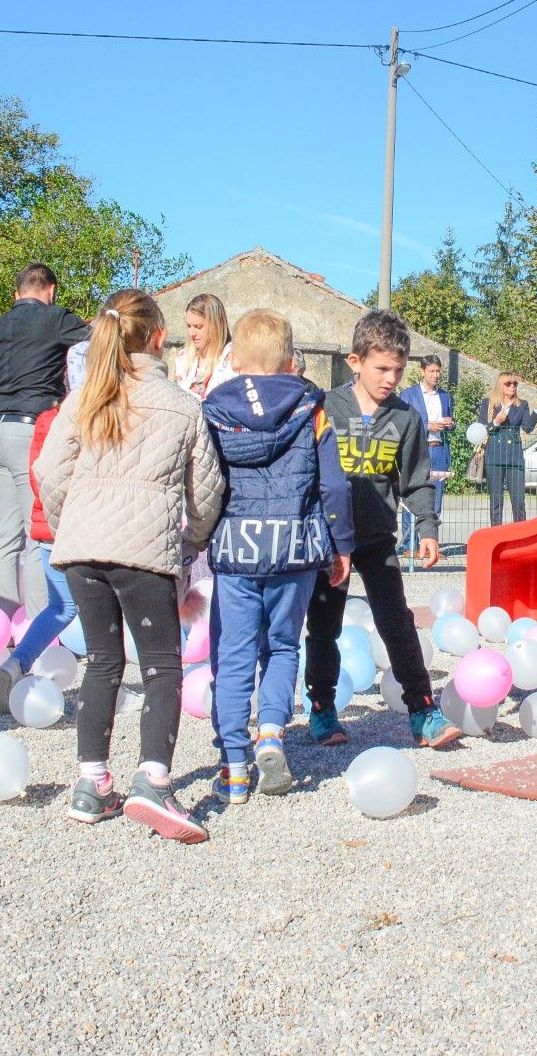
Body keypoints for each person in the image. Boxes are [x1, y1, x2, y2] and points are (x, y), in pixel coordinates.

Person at [33, 289, 225, 840]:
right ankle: (155, 780)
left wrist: (73, 519)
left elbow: (49, 470)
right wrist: (193, 543)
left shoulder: (86, 396)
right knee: (162, 665)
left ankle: (91, 783)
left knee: (102, 662)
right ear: (158, 337)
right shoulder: (182, 404)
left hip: (82, 550)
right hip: (145, 552)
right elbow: (206, 492)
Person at [202, 309, 356, 802]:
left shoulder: (213, 411)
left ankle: (233, 764)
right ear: (292, 360)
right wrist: (341, 546)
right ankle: (271, 731)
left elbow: (204, 484)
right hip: (295, 548)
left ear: (235, 359)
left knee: (233, 656)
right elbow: (333, 485)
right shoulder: (312, 410)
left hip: (237, 550)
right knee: (284, 647)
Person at [304, 309, 460, 749]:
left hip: (376, 540)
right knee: (323, 627)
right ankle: (322, 710)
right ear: (355, 362)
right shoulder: (326, 408)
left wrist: (427, 526)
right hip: (330, 543)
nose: (391, 378)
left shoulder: (406, 419)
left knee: (397, 622)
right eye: (381, 368)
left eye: (398, 369)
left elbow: (414, 481)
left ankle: (422, 709)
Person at [0, 263, 90, 617]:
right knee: (37, 532)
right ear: (49, 290)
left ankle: (4, 618)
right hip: (32, 430)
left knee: (6, 532)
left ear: (17, 292)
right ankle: (40, 625)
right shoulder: (55, 318)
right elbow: (98, 342)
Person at [402, 354, 454, 553]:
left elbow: (451, 423)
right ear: (422, 371)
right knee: (412, 497)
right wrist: (427, 425)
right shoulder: (408, 395)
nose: (436, 375)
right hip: (417, 451)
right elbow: (404, 422)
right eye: (431, 371)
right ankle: (409, 546)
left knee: (436, 500)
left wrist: (449, 424)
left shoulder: (445, 396)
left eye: (438, 371)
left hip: (438, 450)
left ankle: (432, 545)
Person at [478, 371, 537, 526]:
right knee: (496, 501)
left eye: (515, 384)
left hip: (514, 456)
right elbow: (481, 429)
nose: (512, 386)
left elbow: (528, 428)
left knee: (518, 501)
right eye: (508, 383)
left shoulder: (522, 404)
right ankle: (496, 537)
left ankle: (520, 537)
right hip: (494, 455)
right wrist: (496, 422)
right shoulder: (489, 404)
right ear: (501, 386)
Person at [172, 292, 236, 400]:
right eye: (189, 326)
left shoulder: (233, 359)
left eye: (198, 327)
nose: (191, 333)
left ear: (216, 325)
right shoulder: (183, 357)